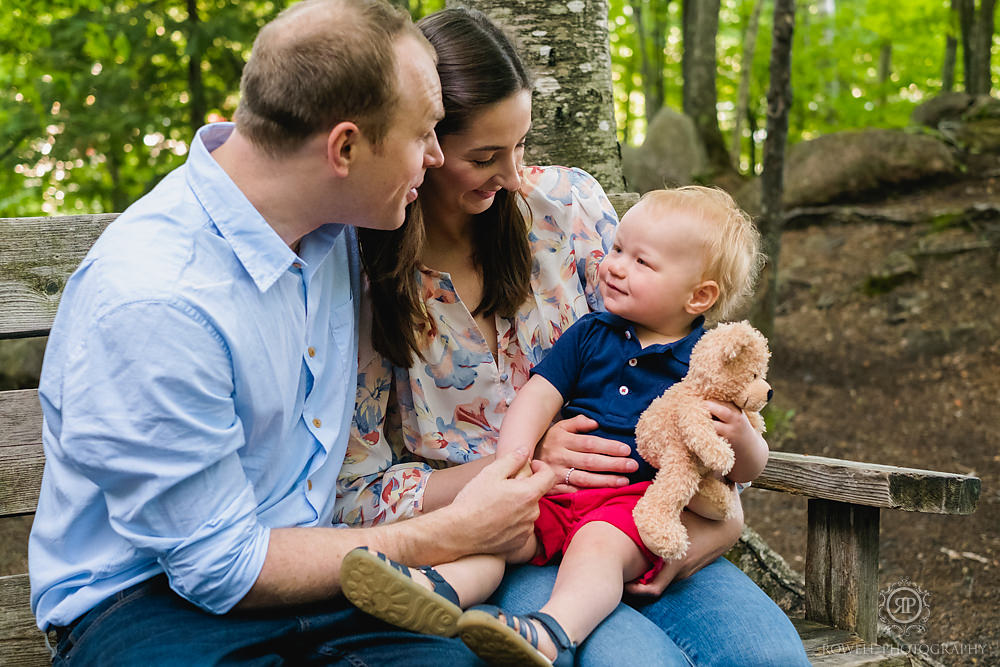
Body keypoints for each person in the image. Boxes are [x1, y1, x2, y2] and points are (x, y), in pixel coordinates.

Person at [28, 1, 557, 664]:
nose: (434, 156)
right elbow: (219, 568)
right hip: (149, 602)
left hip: (322, 575)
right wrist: (446, 531)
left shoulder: (333, 225)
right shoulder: (159, 300)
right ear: (344, 147)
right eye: (423, 134)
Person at [334, 7, 810, 666]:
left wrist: (722, 520)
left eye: (521, 145)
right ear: (425, 147)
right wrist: (525, 466)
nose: (514, 176)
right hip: (515, 535)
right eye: (485, 156)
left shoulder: (569, 211)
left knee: (769, 656)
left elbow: (683, 363)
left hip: (647, 513)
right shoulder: (365, 281)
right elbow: (356, 496)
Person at [342, 186, 780, 665]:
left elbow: (745, 465)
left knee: (597, 547)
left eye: (641, 263)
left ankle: (550, 632)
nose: (613, 266)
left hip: (631, 509)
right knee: (500, 536)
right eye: (616, 250)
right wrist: (513, 467)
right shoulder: (592, 332)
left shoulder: (704, 364)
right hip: (556, 494)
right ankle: (434, 591)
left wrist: (742, 439)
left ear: (699, 295)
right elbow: (537, 397)